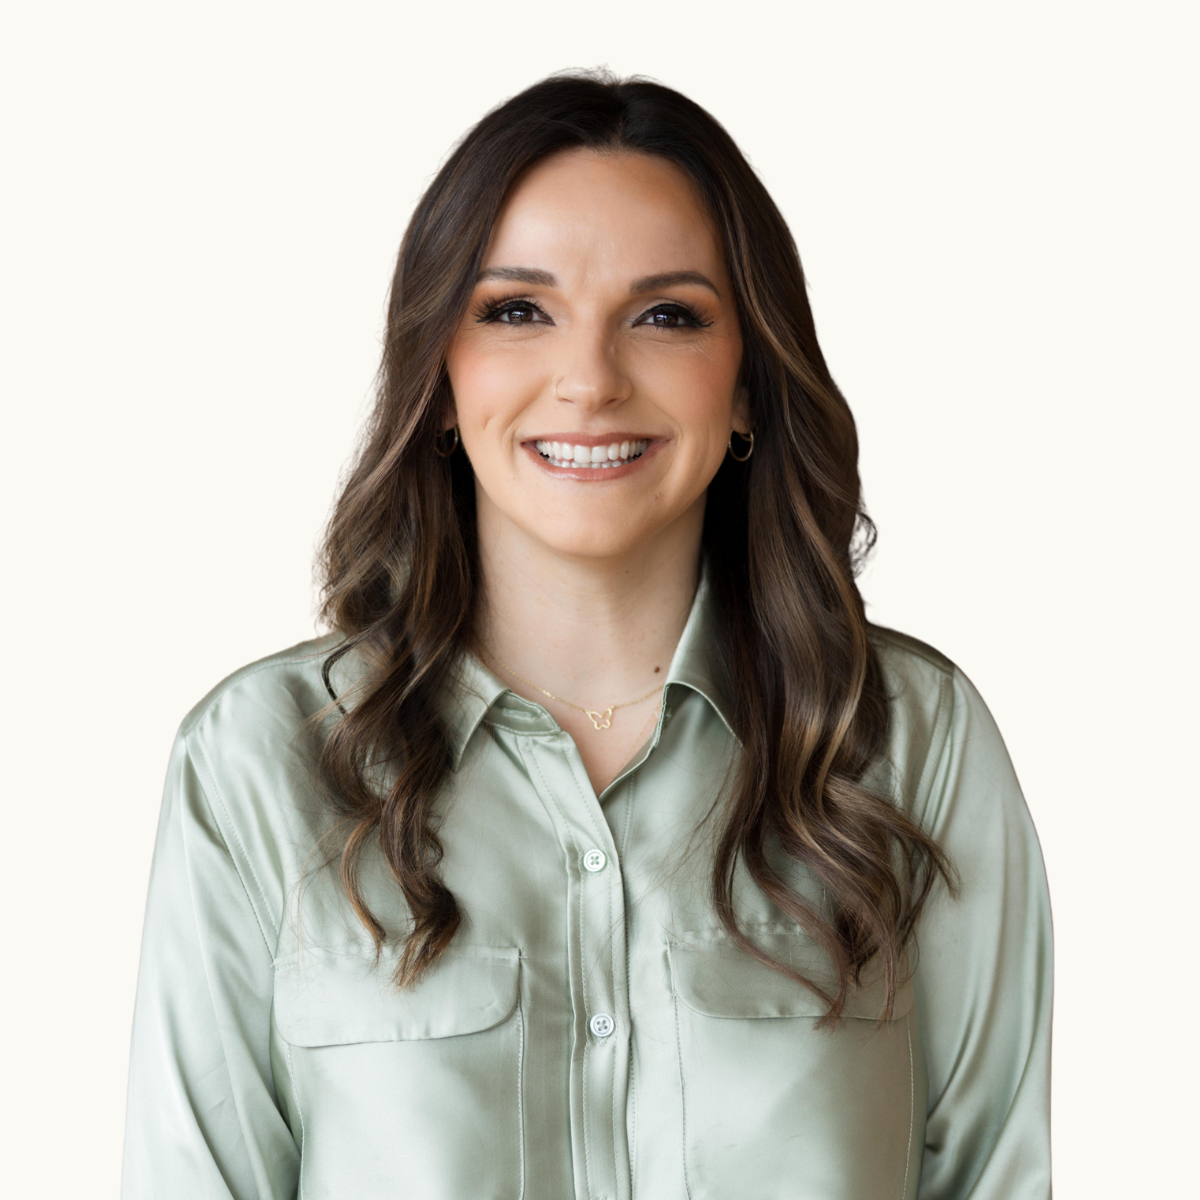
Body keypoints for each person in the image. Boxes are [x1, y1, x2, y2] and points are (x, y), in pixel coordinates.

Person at [122, 71, 1052, 1199]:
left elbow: (998, 1172)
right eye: (518, 310)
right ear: (441, 373)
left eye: (666, 316)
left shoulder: (910, 744)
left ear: (748, 383)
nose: (589, 379)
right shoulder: (262, 760)